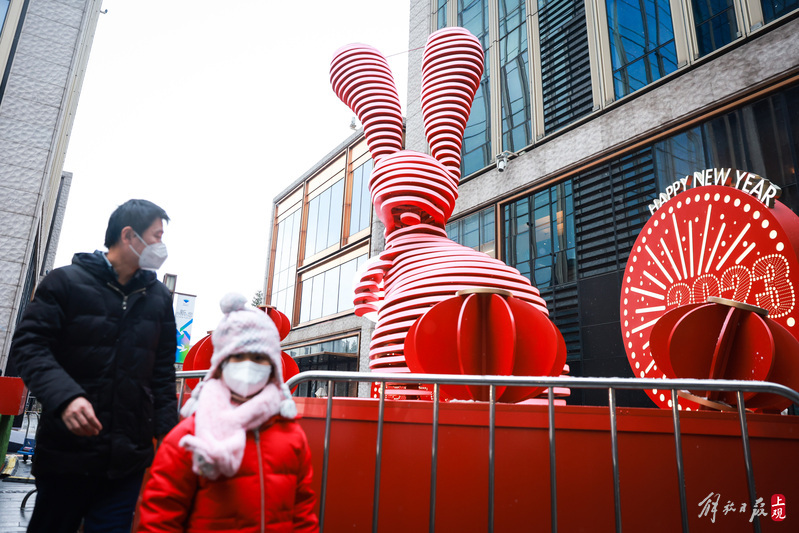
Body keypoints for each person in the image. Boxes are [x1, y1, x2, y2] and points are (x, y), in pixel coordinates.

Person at [10, 199, 177, 533]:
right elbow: (29, 346)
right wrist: (66, 396)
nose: (162, 246)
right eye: (156, 236)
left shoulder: (158, 298)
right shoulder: (64, 283)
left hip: (127, 460)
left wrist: (171, 439)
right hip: (67, 454)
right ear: (129, 235)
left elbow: (161, 376)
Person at [136, 293, 318, 532]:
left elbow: (302, 512)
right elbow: (160, 517)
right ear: (220, 365)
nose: (247, 365)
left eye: (258, 358)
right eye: (237, 356)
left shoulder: (291, 434)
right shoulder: (189, 435)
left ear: (273, 367)